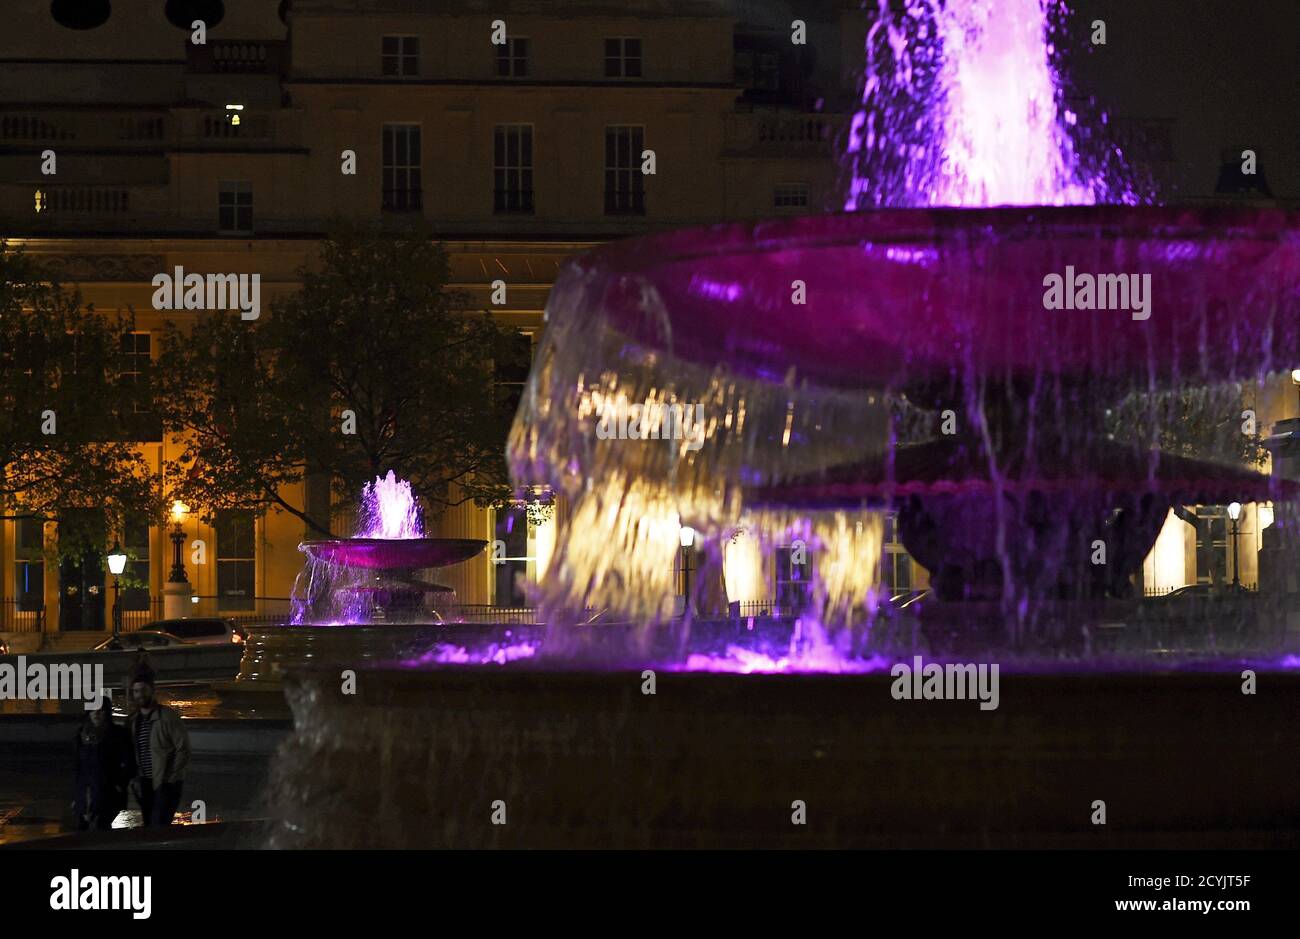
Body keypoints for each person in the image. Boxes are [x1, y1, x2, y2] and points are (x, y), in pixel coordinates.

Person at [127, 666, 191, 826]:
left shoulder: (167, 717)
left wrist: (171, 779)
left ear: (152, 691)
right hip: (145, 783)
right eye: (136, 691)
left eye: (143, 690)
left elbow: (183, 748)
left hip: (165, 783)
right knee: (149, 824)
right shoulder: (134, 720)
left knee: (160, 825)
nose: (140, 694)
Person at [72, 693, 133, 831]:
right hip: (85, 793)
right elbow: (78, 767)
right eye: (93, 709)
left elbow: (129, 763)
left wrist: (119, 785)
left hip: (108, 792)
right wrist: (76, 796)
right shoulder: (81, 735)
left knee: (101, 828)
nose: (97, 713)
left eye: (101, 710)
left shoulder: (118, 734)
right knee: (82, 831)